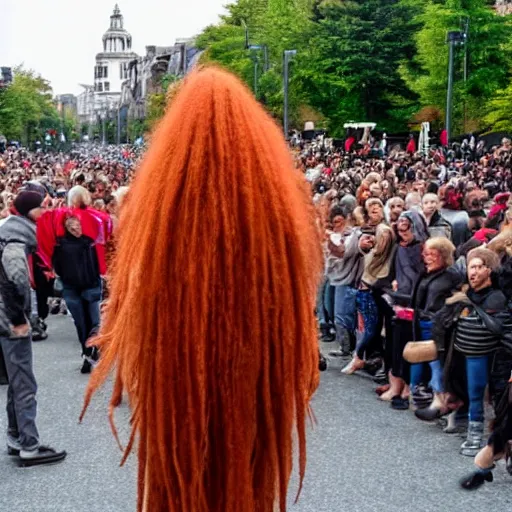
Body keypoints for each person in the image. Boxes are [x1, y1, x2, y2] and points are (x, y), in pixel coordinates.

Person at [80, 67, 321, 512]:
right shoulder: (275, 222)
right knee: (248, 469)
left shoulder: (158, 223)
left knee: (181, 474)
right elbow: (298, 316)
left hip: (176, 378)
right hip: (250, 375)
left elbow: (131, 313)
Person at [0, 190, 66, 466]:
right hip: (9, 322)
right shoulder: (16, 239)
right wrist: (19, 319)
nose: (44, 212)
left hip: (3, 319)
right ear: (28, 211)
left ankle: (16, 437)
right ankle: (29, 445)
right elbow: (14, 279)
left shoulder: (9, 232)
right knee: (24, 383)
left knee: (16, 382)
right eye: (41, 207)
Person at [436, 248, 509, 456]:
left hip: (490, 355)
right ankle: (471, 428)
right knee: (469, 390)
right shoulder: (465, 294)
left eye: (478, 267)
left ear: (489, 270)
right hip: (464, 351)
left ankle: (479, 436)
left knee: (482, 393)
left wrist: (472, 309)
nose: (473, 272)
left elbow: (497, 328)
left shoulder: (496, 297)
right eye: (471, 267)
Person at [409, 237, 462, 420]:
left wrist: (444, 317)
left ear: (443, 255)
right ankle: (425, 397)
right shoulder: (426, 273)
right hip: (421, 322)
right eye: (426, 254)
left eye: (432, 254)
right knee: (422, 361)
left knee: (436, 364)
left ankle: (440, 401)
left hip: (437, 326)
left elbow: (458, 300)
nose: (427, 258)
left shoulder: (452, 275)